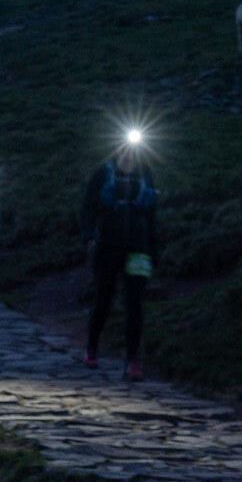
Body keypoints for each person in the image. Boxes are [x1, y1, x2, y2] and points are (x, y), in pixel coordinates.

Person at [79, 130, 161, 381]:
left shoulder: (146, 174)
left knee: (135, 302)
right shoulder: (104, 173)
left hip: (138, 248)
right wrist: (90, 236)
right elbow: (87, 207)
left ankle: (133, 360)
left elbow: (152, 214)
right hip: (107, 246)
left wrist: (154, 248)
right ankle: (92, 348)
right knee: (104, 297)